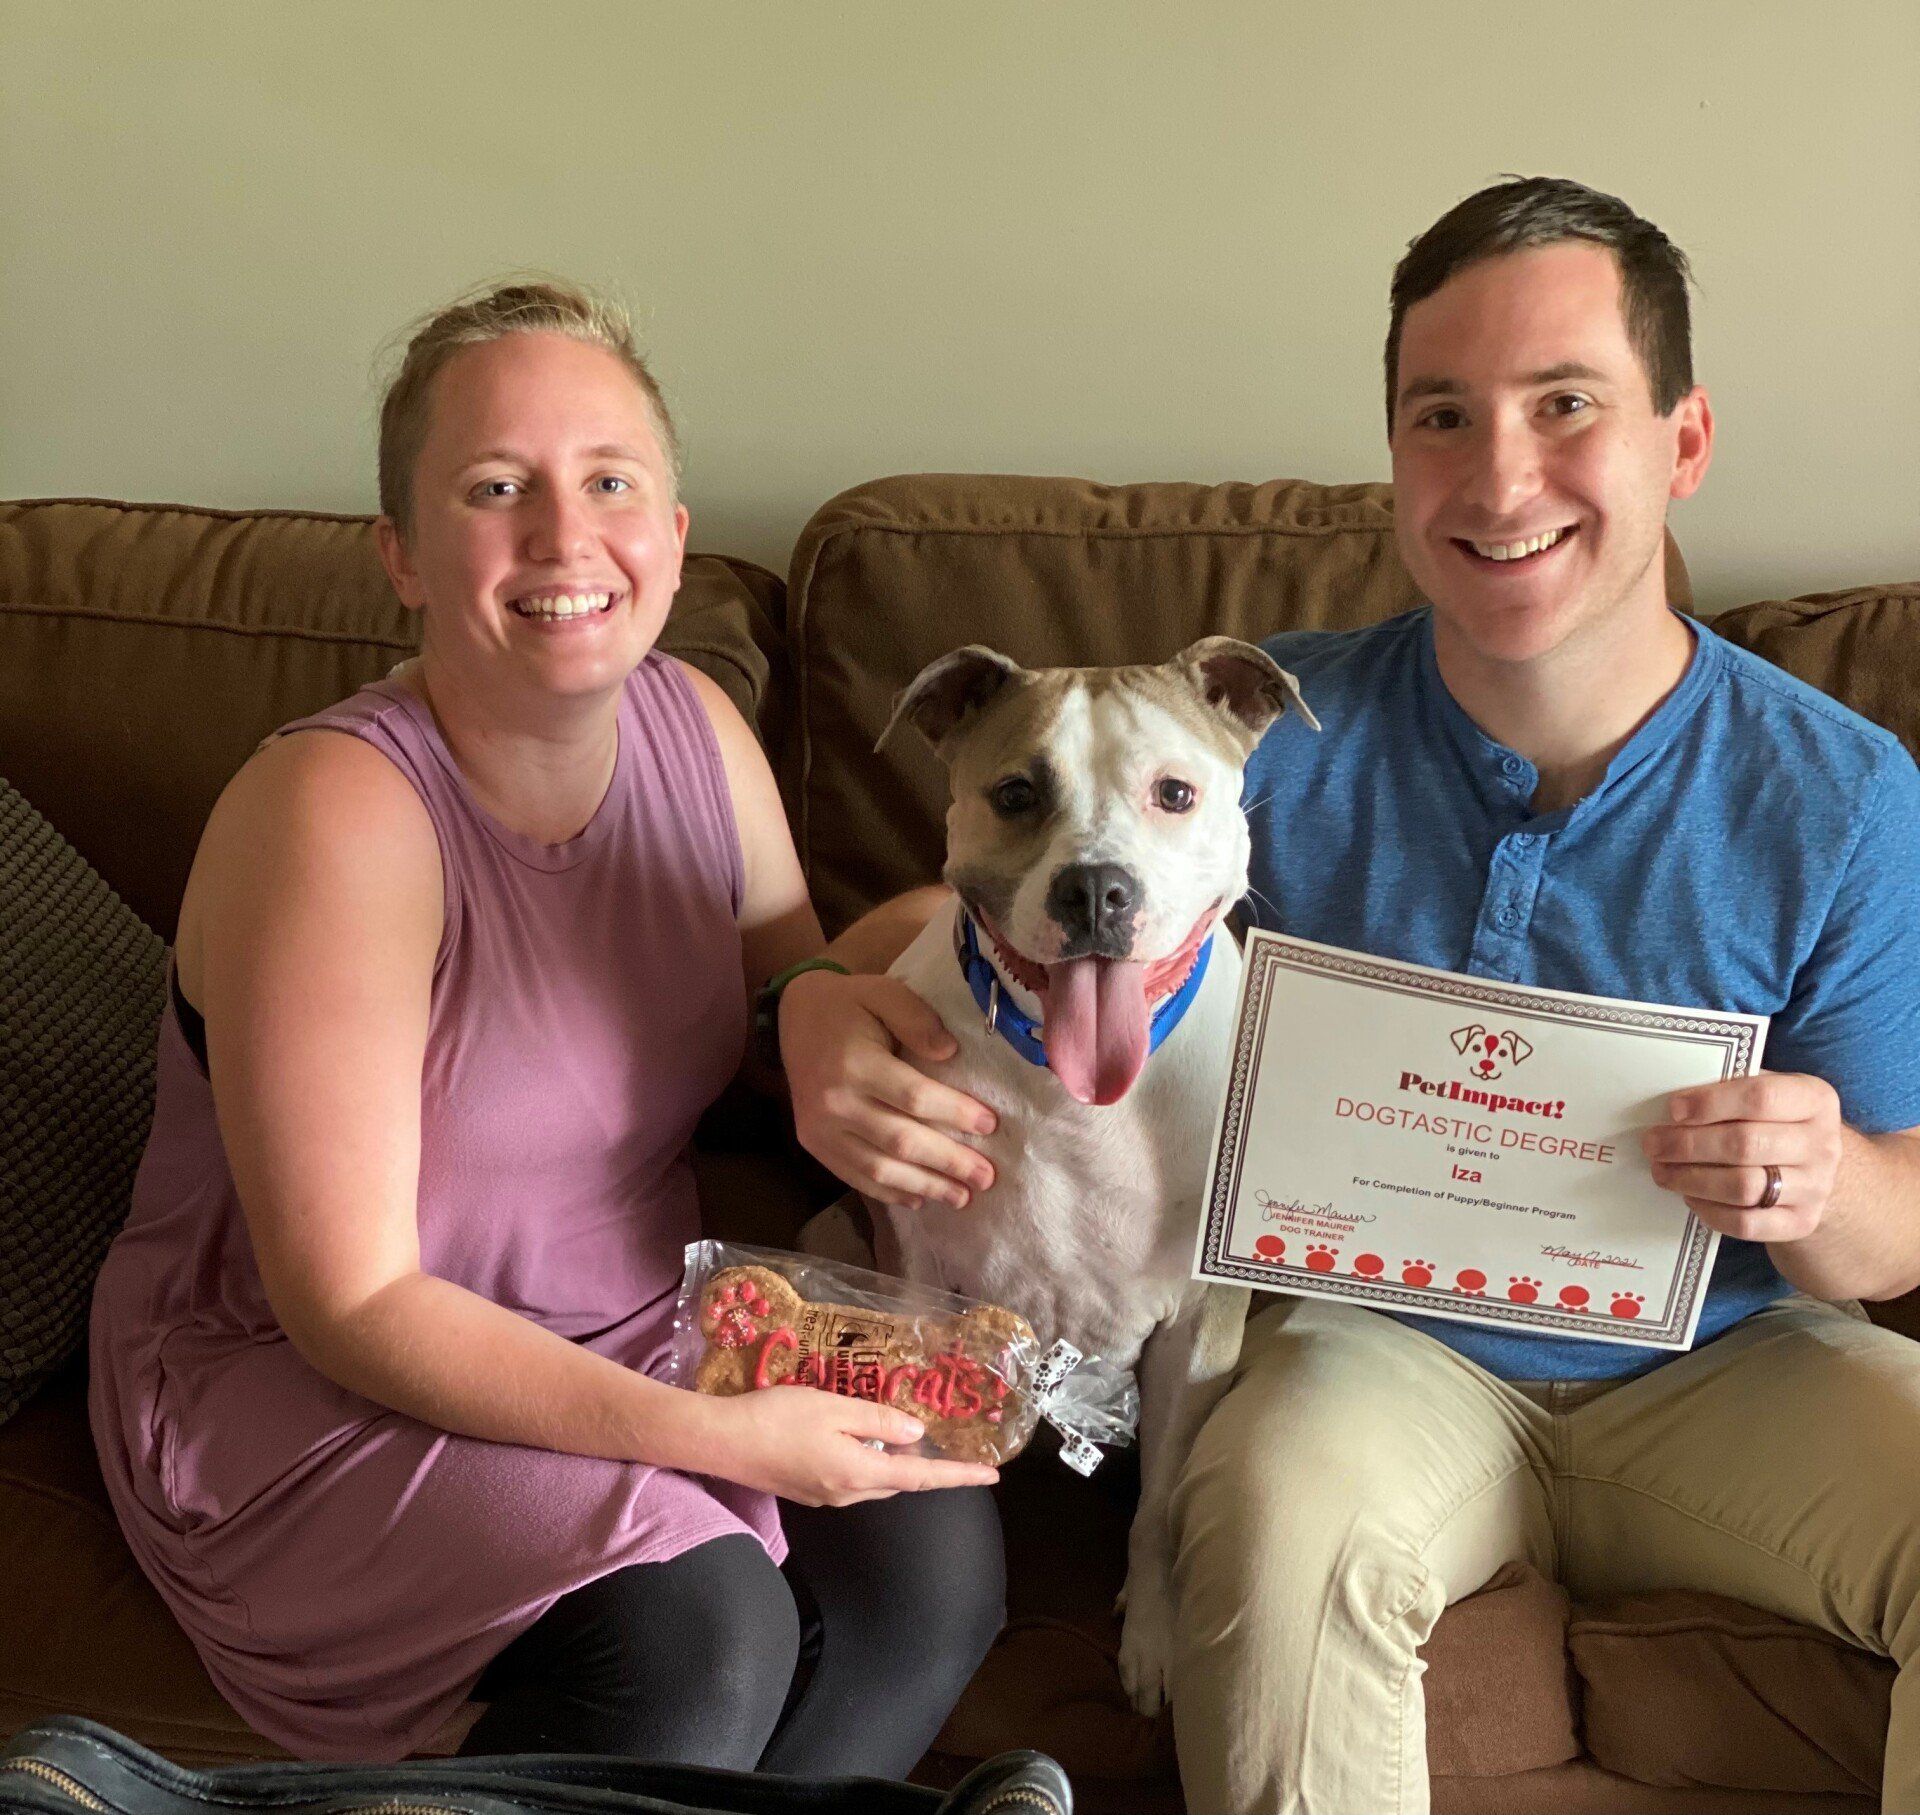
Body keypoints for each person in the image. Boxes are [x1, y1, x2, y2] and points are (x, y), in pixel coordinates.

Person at [777, 178, 1920, 1813]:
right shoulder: (1272, 737)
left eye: (1567, 406)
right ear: (1395, 455)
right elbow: (1039, 871)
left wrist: (1825, 1177)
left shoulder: (1843, 795)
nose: (1500, 473)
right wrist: (820, 998)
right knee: (1273, 1528)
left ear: (1684, 439)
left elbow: (1903, 1226)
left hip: (1728, 1363)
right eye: (1442, 416)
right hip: (1374, 1353)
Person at [87, 281, 1004, 1773]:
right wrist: (718, 1440)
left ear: (675, 532)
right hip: (315, 1374)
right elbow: (353, 1302)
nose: (566, 539)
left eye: (609, 482)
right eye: (495, 488)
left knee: (932, 1542)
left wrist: (877, 975)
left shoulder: (696, 730)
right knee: (702, 1635)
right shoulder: (336, 816)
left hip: (636, 1298)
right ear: (400, 553)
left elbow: (787, 992)